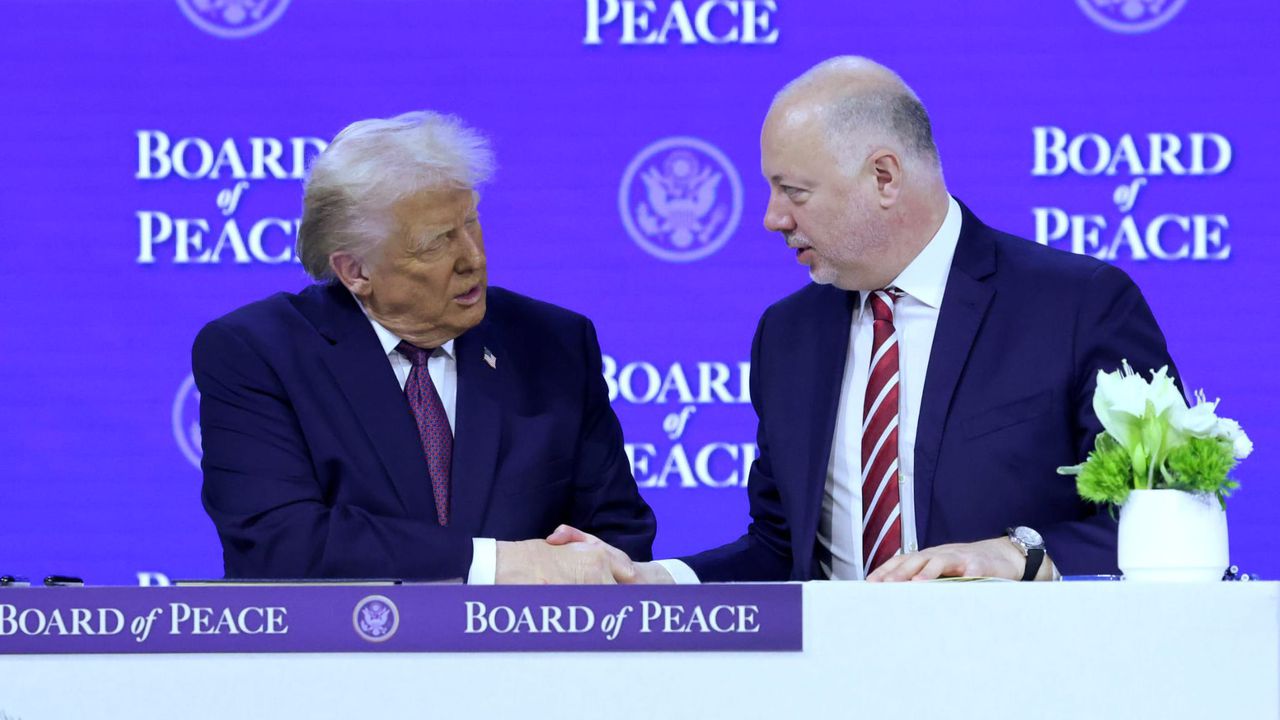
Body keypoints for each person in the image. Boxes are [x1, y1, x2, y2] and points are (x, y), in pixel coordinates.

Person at [550, 56, 1178, 583]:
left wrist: (1020, 555)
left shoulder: (1076, 306)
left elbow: (1169, 515)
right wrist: (659, 581)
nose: (772, 218)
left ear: (883, 176)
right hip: (833, 675)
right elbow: (779, 548)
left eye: (794, 191)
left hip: (1022, 667)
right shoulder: (788, 335)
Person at [193, 111, 655, 583]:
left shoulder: (554, 345)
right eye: (436, 243)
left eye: (471, 223)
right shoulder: (259, 353)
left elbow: (618, 544)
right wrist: (496, 564)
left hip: (529, 633)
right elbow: (282, 543)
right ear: (356, 271)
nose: (473, 258)